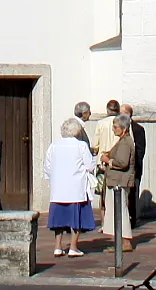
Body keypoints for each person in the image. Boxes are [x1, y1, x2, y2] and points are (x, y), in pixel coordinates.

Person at [43, 117, 97, 258]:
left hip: (58, 189)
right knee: (76, 218)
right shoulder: (81, 146)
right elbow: (90, 165)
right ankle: (73, 247)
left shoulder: (54, 146)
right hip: (76, 188)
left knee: (58, 219)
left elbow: (47, 167)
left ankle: (57, 246)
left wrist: (54, 178)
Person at [101, 114, 137, 253]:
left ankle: (125, 241)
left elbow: (122, 162)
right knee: (115, 210)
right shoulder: (123, 141)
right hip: (116, 181)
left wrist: (107, 160)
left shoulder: (126, 142)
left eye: (115, 127)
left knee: (120, 210)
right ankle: (120, 241)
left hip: (119, 182)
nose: (113, 129)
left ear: (124, 128)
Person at [90, 99, 121, 205]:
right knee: (118, 191)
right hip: (117, 160)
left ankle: (104, 219)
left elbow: (95, 145)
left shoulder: (100, 123)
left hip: (102, 162)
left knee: (102, 192)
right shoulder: (122, 123)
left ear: (107, 110)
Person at [122, 104, 147, 224]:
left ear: (128, 114)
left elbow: (140, 150)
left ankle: (132, 219)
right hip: (121, 168)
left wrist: (134, 166)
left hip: (134, 168)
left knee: (132, 194)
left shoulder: (138, 129)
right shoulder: (119, 128)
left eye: (121, 113)